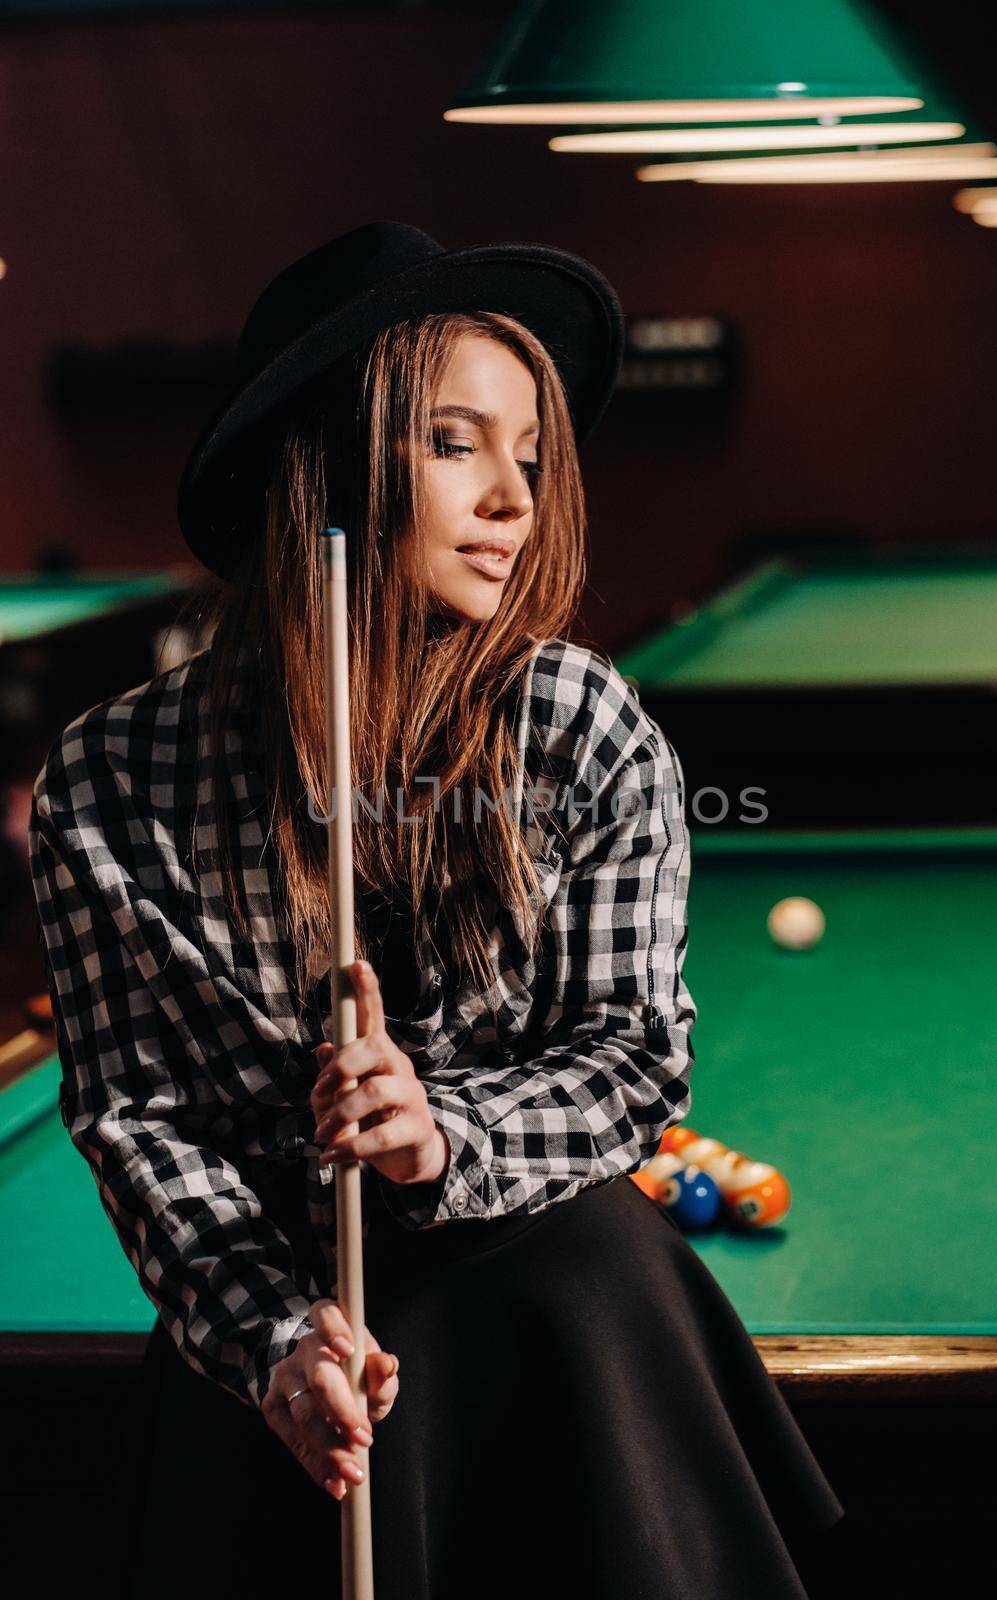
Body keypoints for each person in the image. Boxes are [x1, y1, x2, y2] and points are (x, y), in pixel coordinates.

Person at [28, 221, 846, 1599]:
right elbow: (142, 1118)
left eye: (531, 454)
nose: (516, 498)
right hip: (288, 1354)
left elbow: (633, 1053)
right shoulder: (112, 781)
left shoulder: (585, 727)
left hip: (564, 1319)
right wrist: (277, 1341)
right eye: (458, 443)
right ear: (329, 461)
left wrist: (440, 1134)